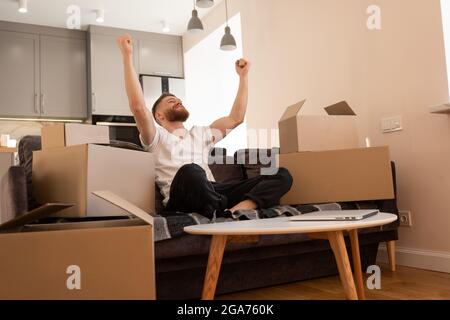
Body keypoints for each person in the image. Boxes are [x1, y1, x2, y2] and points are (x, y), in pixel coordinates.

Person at [117, 33, 293, 219]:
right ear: (159, 116)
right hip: (184, 195)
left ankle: (235, 210)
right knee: (192, 170)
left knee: (281, 174)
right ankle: (218, 209)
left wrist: (243, 77)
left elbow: (236, 118)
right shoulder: (156, 137)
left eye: (178, 99)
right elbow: (138, 107)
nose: (177, 101)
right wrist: (127, 56)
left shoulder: (201, 133)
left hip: (213, 191)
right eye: (171, 101)